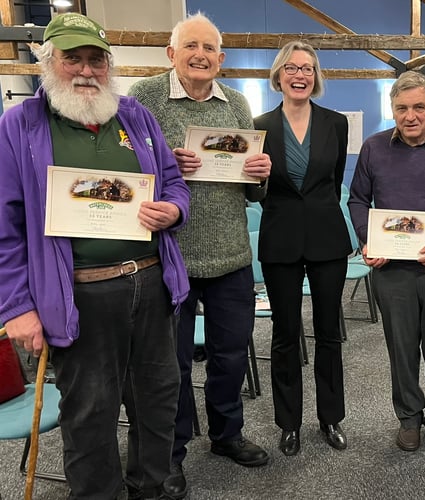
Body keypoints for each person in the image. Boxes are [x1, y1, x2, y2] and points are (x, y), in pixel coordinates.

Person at [0, 13, 190, 500]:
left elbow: (172, 182)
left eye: (96, 60)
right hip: (77, 293)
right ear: (49, 61)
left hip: (150, 283)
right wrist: (17, 308)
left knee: (159, 399)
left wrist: (173, 209)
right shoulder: (19, 126)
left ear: (109, 65)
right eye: (73, 58)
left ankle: (151, 487)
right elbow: (5, 228)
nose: (86, 70)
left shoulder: (134, 116)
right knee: (89, 412)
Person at [128, 12, 271, 499]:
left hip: (231, 254)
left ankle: (227, 435)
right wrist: (164, 160)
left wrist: (260, 171)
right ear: (171, 54)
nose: (200, 55)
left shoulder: (237, 102)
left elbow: (252, 192)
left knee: (230, 356)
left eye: (210, 48)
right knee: (172, 365)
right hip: (169, 258)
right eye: (191, 46)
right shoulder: (142, 97)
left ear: (221, 59)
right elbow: (123, 166)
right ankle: (172, 451)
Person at [347, 71, 425, 454]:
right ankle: (410, 417)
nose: (410, 116)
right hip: (391, 269)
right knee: (401, 348)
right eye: (401, 108)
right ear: (392, 110)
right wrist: (368, 239)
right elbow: (358, 200)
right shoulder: (374, 148)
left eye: (418, 107)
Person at [254, 41, 351, 456]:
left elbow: (333, 181)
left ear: (316, 77)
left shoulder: (336, 122)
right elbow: (256, 190)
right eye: (292, 68)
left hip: (327, 238)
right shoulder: (259, 125)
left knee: (329, 333)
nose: (300, 75)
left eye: (308, 69)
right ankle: (288, 422)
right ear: (279, 76)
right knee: (284, 334)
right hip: (281, 239)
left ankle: (330, 417)